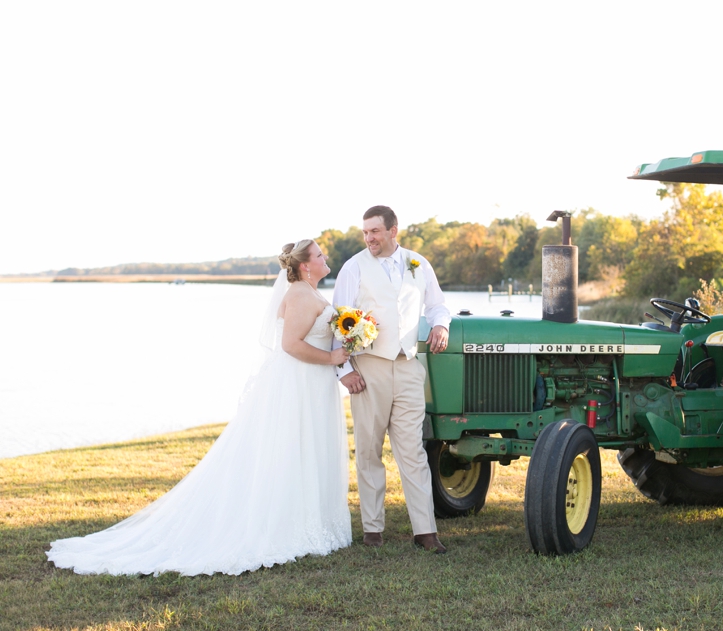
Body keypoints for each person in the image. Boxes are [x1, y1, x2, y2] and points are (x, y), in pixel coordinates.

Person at [46, 240, 353, 576]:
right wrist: (332, 357)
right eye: (321, 255)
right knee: (290, 450)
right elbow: (290, 345)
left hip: (311, 384)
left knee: (304, 450)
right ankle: (286, 526)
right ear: (307, 265)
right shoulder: (298, 293)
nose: (326, 258)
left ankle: (308, 518)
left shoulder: (310, 290)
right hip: (298, 383)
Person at [334, 206, 451, 554]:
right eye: (365, 232)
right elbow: (338, 319)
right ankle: (373, 529)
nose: (369, 238)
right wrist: (345, 371)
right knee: (369, 450)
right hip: (368, 368)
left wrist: (442, 325)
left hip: (409, 368)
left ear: (393, 230)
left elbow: (437, 305)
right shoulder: (353, 267)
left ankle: (425, 531)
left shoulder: (418, 263)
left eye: (375, 231)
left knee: (413, 451)